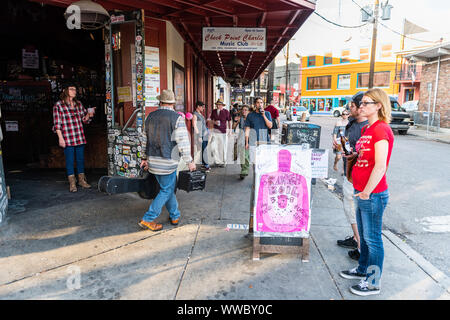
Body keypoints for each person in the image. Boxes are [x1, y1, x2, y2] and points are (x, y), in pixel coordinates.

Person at [339, 88, 394, 296]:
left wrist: (366, 192)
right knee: (363, 235)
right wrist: (350, 154)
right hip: (361, 190)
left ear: (379, 106)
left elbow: (380, 166)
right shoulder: (367, 130)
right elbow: (364, 157)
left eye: (366, 103)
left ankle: (372, 282)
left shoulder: (381, 130)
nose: (361, 106)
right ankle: (362, 269)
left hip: (373, 194)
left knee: (373, 239)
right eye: (361, 103)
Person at [139, 89, 196, 231]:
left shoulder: (150, 117)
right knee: (166, 190)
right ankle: (148, 218)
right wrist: (189, 161)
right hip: (168, 162)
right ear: (173, 103)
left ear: (160, 102)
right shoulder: (177, 118)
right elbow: (183, 142)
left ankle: (175, 215)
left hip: (153, 161)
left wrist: (144, 158)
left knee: (167, 189)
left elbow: (143, 140)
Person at [335, 92, 368, 262]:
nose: (350, 109)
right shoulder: (352, 124)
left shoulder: (369, 127)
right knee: (350, 208)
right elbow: (349, 146)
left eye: (353, 106)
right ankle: (356, 239)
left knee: (355, 209)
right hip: (349, 171)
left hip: (359, 176)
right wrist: (342, 146)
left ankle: (360, 246)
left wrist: (351, 153)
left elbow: (367, 154)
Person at [52, 82, 95, 192]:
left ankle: (81, 181)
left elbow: (84, 120)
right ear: (65, 91)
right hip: (67, 137)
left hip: (79, 136)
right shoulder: (58, 105)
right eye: (71, 89)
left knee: (80, 160)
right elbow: (57, 124)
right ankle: (72, 183)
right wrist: (60, 138)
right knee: (70, 160)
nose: (74, 91)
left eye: (75, 90)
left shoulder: (78, 104)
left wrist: (89, 115)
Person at [208, 99, 231, 167]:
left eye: (219, 105)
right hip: (215, 131)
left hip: (223, 132)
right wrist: (214, 122)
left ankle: (224, 161)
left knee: (224, 147)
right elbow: (211, 120)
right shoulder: (214, 111)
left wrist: (230, 130)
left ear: (222, 105)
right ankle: (217, 161)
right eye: (217, 105)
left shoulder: (226, 112)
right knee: (213, 146)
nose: (218, 106)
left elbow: (229, 121)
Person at [232, 105, 250, 179]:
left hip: (250, 137)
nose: (244, 111)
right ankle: (244, 169)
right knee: (242, 155)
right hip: (241, 137)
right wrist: (235, 121)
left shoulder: (251, 119)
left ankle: (244, 171)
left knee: (245, 155)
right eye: (243, 110)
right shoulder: (240, 118)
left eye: (246, 110)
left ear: (248, 111)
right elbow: (233, 127)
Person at [192, 101, 210, 172]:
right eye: (202, 107)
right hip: (201, 135)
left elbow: (203, 125)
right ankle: (206, 165)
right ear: (198, 106)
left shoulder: (200, 114)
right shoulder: (195, 115)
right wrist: (199, 136)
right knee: (204, 149)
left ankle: (203, 163)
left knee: (204, 149)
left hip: (205, 133)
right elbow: (194, 125)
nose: (203, 108)